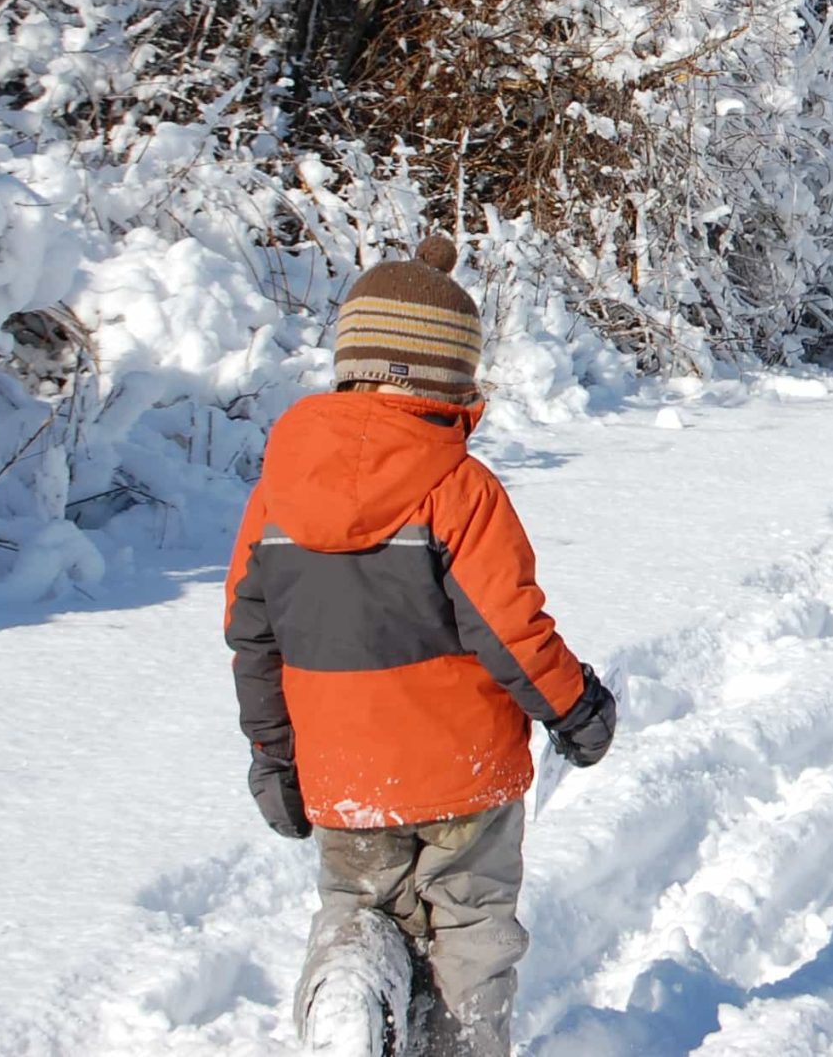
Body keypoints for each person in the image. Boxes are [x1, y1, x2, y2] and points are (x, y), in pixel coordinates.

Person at [223, 235, 617, 1056]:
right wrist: (576, 709)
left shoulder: (277, 495)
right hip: (463, 777)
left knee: (358, 905)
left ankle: (345, 987)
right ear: (452, 374)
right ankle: (462, 1044)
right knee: (470, 926)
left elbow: (252, 640)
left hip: (341, 776)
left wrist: (273, 756)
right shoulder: (458, 489)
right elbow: (510, 627)